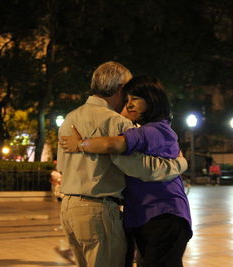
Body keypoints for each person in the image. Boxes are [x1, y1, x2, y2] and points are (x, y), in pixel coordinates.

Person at [57, 62, 188, 267]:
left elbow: (62, 167)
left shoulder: (69, 118)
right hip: (98, 209)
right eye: (128, 93)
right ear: (120, 89)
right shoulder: (117, 122)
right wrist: (179, 164)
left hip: (69, 209)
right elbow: (141, 168)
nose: (129, 103)